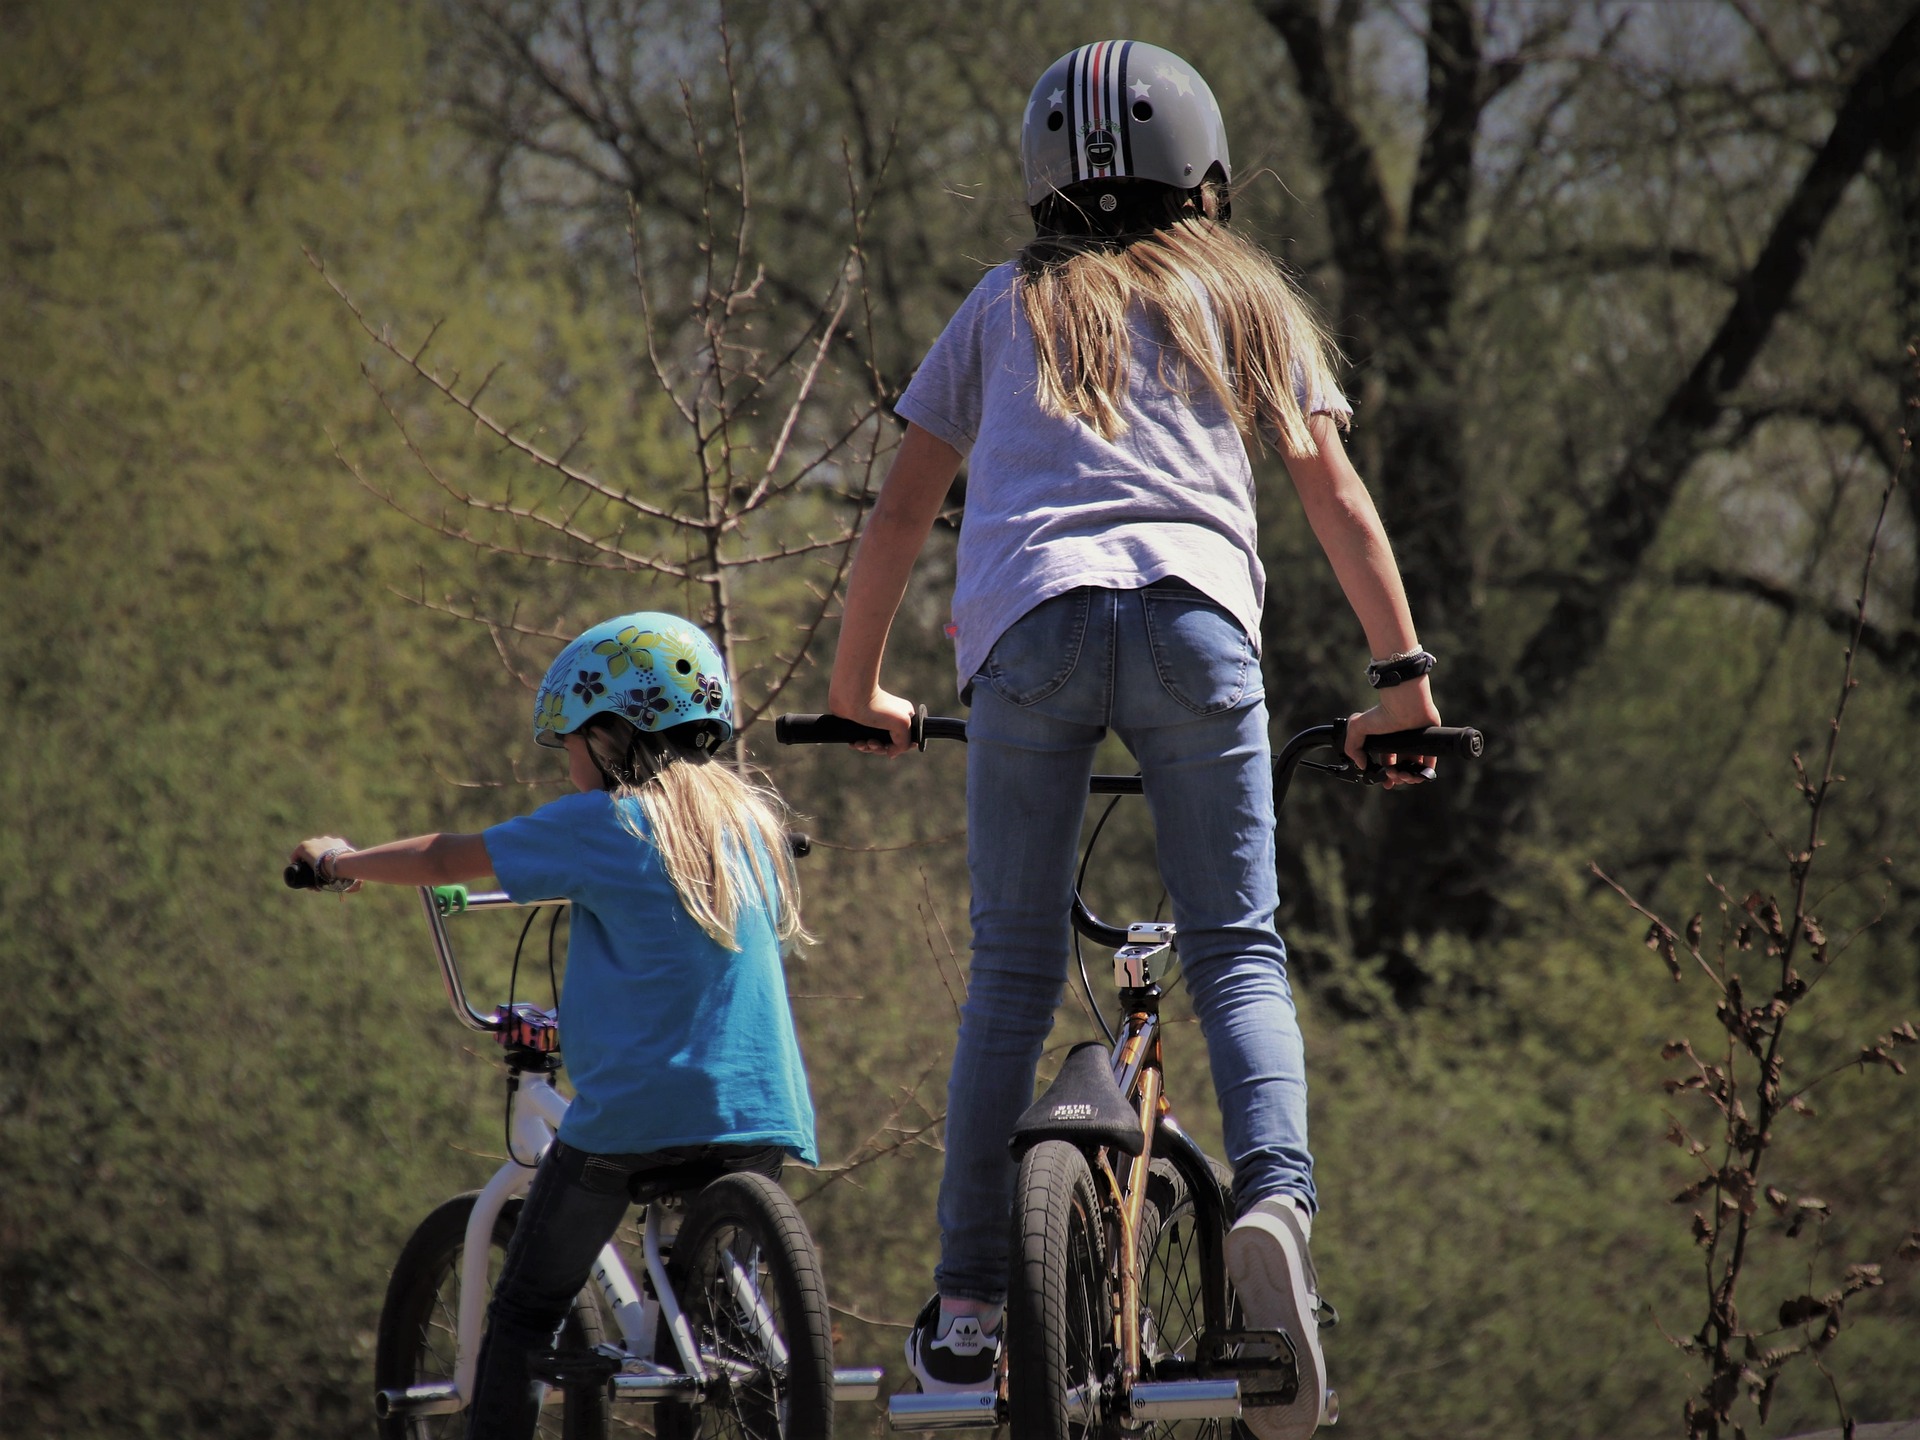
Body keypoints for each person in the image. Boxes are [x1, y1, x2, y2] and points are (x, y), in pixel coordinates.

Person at [826, 40, 1441, 1440]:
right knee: (1237, 949)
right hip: (1195, 633)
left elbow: (900, 513)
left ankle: (972, 1303)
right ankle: (1275, 1207)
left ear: (1047, 178)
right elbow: (1334, 495)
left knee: (1011, 970)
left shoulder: (1003, 306)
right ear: (1204, 173)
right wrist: (1402, 685)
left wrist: (862, 687)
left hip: (1029, 643)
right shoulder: (1242, 298)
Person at [289, 612, 816, 1440]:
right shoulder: (748, 823)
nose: (569, 762)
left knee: (527, 1312)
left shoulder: (603, 822)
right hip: (762, 1116)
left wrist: (338, 861)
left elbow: (441, 860)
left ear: (612, 736)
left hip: (636, 1122)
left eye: (569, 741)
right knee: (724, 1332)